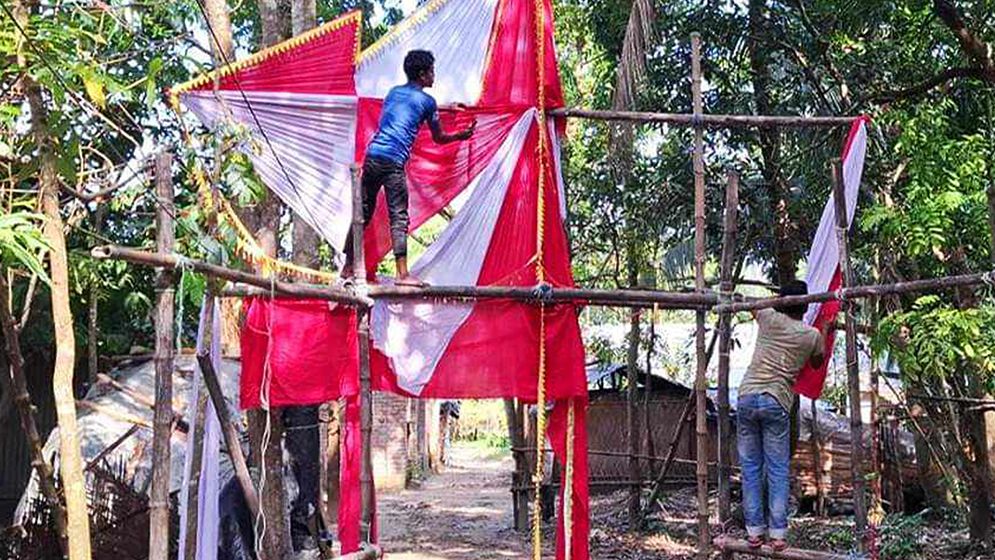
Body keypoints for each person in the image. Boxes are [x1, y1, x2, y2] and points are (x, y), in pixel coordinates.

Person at [342, 49, 476, 286]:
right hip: (393, 163)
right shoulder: (427, 101)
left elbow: (410, 107)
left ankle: (347, 266)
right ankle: (402, 275)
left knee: (363, 212)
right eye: (432, 71)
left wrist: (446, 108)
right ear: (423, 75)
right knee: (399, 217)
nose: (434, 75)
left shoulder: (394, 93)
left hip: (372, 157)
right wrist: (461, 135)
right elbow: (439, 137)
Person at [737, 280, 830, 551]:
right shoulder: (810, 335)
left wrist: (775, 301)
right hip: (776, 399)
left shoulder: (768, 318)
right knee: (777, 469)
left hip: (746, 396)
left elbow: (745, 300)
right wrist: (824, 329)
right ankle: (777, 535)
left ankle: (754, 532)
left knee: (751, 468)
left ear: (782, 301)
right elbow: (816, 362)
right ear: (806, 305)